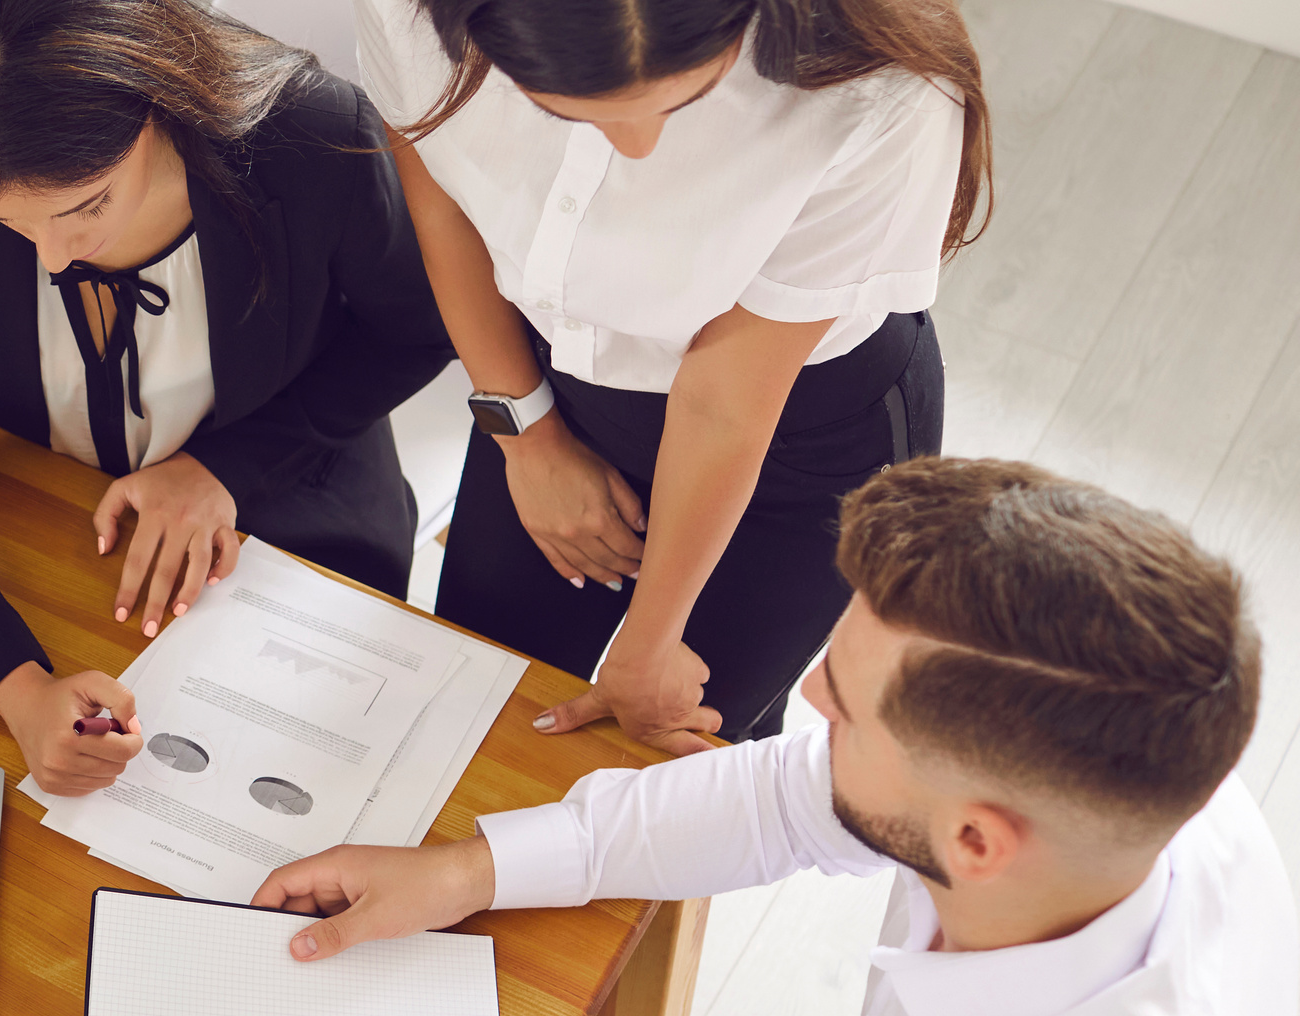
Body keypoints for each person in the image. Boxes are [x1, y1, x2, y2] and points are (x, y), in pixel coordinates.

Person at [253, 458, 1297, 1014]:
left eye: (843, 705)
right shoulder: (1101, 784)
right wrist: (469, 870)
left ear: (978, 843)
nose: (807, 697)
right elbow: (779, 799)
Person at [0, 0, 454, 796]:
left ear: (159, 101)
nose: (56, 260)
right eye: (2, 221)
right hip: (45, 516)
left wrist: (221, 467)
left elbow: (414, 333)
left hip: (292, 498)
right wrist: (19, 692)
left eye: (87, 205)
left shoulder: (310, 135)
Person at [352, 0, 987, 752]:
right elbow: (440, 202)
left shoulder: (881, 92)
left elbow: (723, 402)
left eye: (684, 101)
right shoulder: (410, 13)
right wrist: (526, 435)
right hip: (553, 381)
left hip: (792, 437)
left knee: (671, 751)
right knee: (479, 694)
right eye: (564, 113)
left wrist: (650, 642)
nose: (640, 147)